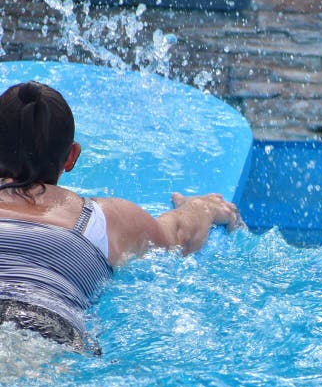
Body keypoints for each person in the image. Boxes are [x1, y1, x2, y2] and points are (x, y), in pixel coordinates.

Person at [0, 80, 242, 354]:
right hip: (48, 331)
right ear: (71, 157)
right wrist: (202, 206)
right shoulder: (102, 219)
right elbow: (180, 237)